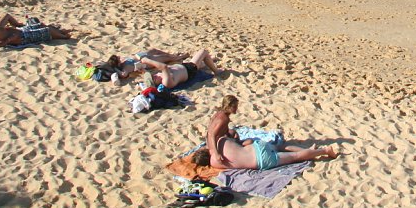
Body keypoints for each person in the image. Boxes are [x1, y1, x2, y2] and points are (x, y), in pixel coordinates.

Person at [202, 94, 337, 170]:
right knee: (281, 147)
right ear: (230, 106)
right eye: (235, 107)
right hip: (257, 148)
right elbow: (212, 134)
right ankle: (314, 150)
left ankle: (323, 151)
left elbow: (212, 134)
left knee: (295, 156)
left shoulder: (217, 156)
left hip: (260, 157)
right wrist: (217, 152)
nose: (237, 109)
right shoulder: (222, 125)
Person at [0, 8, 72, 47]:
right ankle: (64, 37)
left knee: (39, 25)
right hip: (22, 38)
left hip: (19, 32)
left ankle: (62, 32)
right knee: (46, 30)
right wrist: (9, 40)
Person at [137, 47, 221, 89]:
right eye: (153, 78)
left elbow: (149, 74)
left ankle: (210, 60)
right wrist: (146, 60)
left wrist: (143, 70)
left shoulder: (159, 77)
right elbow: (164, 67)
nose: (154, 75)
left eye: (152, 76)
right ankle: (217, 72)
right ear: (156, 84)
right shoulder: (166, 83)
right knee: (203, 52)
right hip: (190, 69)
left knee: (202, 62)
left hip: (184, 66)